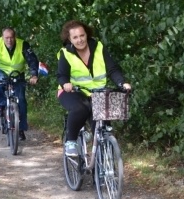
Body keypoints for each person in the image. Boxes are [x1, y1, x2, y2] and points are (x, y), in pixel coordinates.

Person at [56, 20, 130, 156]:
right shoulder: (65, 53)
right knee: (80, 108)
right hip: (73, 91)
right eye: (75, 37)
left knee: (102, 124)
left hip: (97, 93)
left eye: (82, 35)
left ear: (87, 34)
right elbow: (61, 75)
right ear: (69, 39)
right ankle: (71, 141)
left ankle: (101, 162)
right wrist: (66, 83)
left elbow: (112, 69)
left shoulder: (98, 48)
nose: (80, 40)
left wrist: (121, 83)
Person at [0, 28, 39, 140]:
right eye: (6, 38)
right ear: (2, 37)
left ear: (15, 37)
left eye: (11, 37)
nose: (9, 40)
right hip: (1, 70)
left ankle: (21, 129)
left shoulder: (23, 45)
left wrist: (34, 75)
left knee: (21, 100)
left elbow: (32, 60)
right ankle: (0, 107)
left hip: (18, 72)